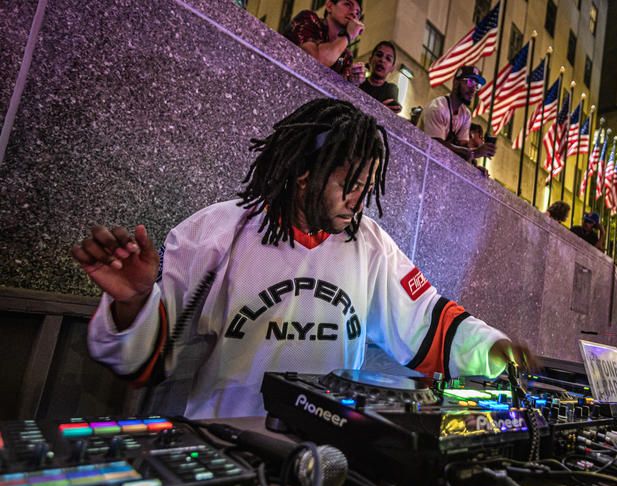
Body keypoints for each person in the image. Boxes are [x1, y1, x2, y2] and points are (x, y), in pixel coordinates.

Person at [71, 99, 535, 419]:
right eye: (348, 184)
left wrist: (493, 349)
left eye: (366, 185)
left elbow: (427, 322)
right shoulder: (216, 233)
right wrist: (134, 302)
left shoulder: (369, 243)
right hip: (228, 442)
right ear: (303, 176)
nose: (359, 199)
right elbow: (149, 360)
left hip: (333, 453)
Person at [420, 66, 496, 162]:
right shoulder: (437, 108)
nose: (473, 89)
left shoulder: (466, 114)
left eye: (477, 85)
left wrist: (475, 166)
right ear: (456, 83)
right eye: (470, 82)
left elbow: (462, 147)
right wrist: (475, 153)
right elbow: (436, 145)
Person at [285, 0, 366, 85]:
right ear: (329, 6)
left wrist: (352, 79)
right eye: (347, 4)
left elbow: (337, 86)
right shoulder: (308, 19)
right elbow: (313, 63)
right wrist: (348, 35)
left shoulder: (345, 56)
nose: (353, 14)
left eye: (357, 13)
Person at [359, 41, 401, 113]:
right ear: (370, 59)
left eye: (388, 59)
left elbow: (390, 110)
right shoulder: (359, 82)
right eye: (379, 55)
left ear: (392, 68)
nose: (382, 60)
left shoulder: (391, 89)